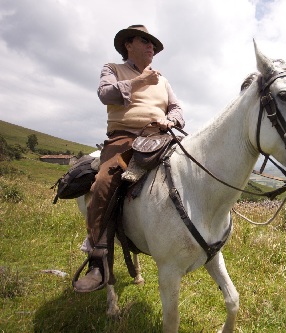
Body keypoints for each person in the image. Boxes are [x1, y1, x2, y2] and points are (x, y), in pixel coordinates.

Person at [73, 25, 185, 292]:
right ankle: (98, 263)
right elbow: (105, 94)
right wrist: (139, 83)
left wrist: (169, 120)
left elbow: (178, 108)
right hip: (123, 139)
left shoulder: (163, 80)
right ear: (128, 45)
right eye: (146, 42)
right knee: (103, 182)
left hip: (160, 137)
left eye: (154, 46)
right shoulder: (111, 69)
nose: (152, 48)